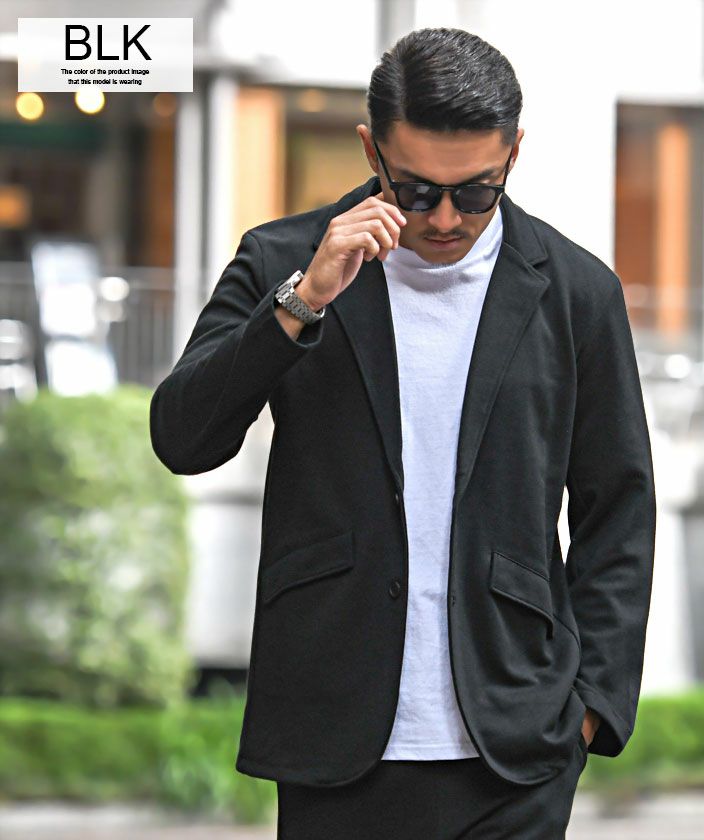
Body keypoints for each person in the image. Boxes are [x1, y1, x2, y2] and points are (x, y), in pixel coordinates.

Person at [150, 26, 656, 840]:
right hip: (335, 730)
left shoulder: (576, 292)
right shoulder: (284, 260)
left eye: (477, 191)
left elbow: (618, 506)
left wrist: (592, 704)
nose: (446, 218)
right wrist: (304, 301)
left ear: (514, 153)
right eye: (417, 191)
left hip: (517, 744)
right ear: (371, 150)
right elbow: (184, 438)